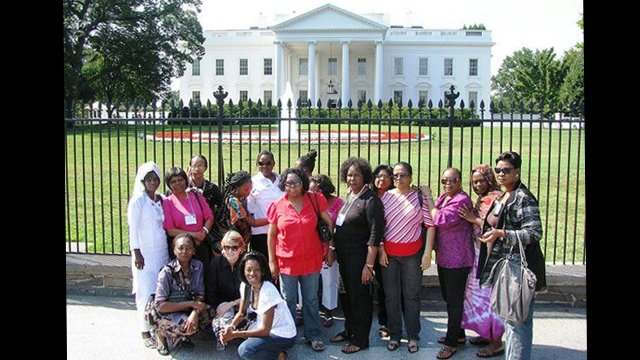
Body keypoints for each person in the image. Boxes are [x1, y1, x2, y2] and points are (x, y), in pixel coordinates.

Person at [477, 151, 546, 360]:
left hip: (519, 267)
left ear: (517, 172)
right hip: (505, 265)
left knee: (518, 322)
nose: (501, 174)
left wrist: (502, 233)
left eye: (506, 170)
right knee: (511, 320)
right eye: (498, 170)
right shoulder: (503, 195)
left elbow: (534, 232)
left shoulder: (523, 197)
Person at [266, 167, 334, 352]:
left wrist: (330, 248)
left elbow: (328, 223)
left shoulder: (314, 199)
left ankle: (313, 335)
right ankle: (288, 335)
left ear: (303, 183)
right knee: (288, 300)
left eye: (296, 182)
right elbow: (271, 236)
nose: (293, 186)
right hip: (287, 261)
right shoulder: (278, 205)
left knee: (311, 299)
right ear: (283, 184)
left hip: (311, 259)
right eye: (288, 183)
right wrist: (272, 262)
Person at [378, 161, 435, 354]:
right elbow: (379, 227)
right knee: (391, 297)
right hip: (390, 256)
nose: (398, 179)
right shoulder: (386, 197)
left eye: (403, 175)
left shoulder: (418, 197)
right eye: (395, 175)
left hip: (413, 256)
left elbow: (431, 225)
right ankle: (395, 335)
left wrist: (427, 254)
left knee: (411, 297)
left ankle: (413, 335)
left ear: (410, 177)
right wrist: (381, 249)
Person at [330, 157, 385, 354]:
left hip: (359, 258)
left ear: (365, 176)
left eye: (357, 175)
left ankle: (360, 340)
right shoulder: (351, 196)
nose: (352, 178)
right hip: (344, 257)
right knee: (346, 297)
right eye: (349, 174)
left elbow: (374, 234)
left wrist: (368, 266)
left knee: (360, 299)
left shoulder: (370, 200)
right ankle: (349, 330)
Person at [424, 168, 474, 359]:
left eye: (452, 180)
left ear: (460, 181)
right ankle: (458, 334)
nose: (447, 183)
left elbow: (439, 219)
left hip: (458, 259)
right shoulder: (445, 197)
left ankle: (451, 343)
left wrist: (428, 197)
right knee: (449, 297)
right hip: (446, 258)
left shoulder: (461, 200)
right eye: (444, 180)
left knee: (454, 301)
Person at [458, 164, 505, 357]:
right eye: (474, 182)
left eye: (480, 181)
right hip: (479, 253)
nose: (477, 185)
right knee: (479, 297)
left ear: (489, 179)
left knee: (489, 298)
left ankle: (496, 342)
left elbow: (494, 226)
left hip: (490, 256)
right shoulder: (484, 199)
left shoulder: (497, 199)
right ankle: (486, 334)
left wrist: (472, 218)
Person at [219, 251, 297, 360]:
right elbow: (241, 313)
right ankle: (268, 349)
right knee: (232, 335)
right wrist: (230, 328)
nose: (252, 274)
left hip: (282, 334)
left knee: (245, 350)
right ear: (243, 271)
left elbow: (265, 330)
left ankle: (279, 356)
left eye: (257, 270)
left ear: (263, 271)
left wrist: (235, 334)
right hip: (262, 327)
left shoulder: (268, 290)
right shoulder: (245, 286)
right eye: (248, 270)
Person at [127, 161, 169, 349]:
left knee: (159, 290)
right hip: (144, 253)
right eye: (149, 179)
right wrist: (136, 252)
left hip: (162, 252)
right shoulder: (138, 201)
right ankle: (144, 329)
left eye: (155, 178)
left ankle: (157, 324)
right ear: (143, 181)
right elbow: (132, 229)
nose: (153, 182)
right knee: (145, 291)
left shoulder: (160, 199)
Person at [149, 233, 213, 356]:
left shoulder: (198, 266)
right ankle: (160, 334)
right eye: (181, 248)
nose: (185, 251)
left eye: (189, 248)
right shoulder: (167, 272)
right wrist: (190, 304)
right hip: (166, 312)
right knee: (185, 325)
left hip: (188, 309)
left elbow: (200, 293)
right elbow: (160, 306)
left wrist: (194, 313)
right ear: (174, 250)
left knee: (210, 313)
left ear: (194, 250)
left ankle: (180, 336)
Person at [310, 174, 345, 328]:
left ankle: (328, 311)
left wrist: (332, 248)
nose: (312, 193)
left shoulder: (338, 203)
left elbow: (340, 226)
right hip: (310, 247)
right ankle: (304, 309)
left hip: (329, 246)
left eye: (315, 190)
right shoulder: (309, 201)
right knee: (307, 281)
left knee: (329, 280)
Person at [162, 167, 214, 264]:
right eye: (173, 181)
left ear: (186, 181)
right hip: (181, 250)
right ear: (168, 184)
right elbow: (170, 231)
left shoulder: (197, 196)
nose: (177, 183)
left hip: (200, 248)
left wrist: (204, 232)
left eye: (180, 180)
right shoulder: (167, 202)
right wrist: (195, 236)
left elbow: (209, 217)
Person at [210, 171, 267, 252]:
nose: (249, 191)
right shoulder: (234, 202)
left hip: (233, 243)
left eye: (251, 188)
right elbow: (251, 222)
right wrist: (271, 219)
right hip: (231, 245)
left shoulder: (238, 198)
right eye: (246, 189)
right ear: (237, 188)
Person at [369, 164, 394, 339]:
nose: (381, 179)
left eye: (385, 176)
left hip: (394, 247)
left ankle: (395, 322)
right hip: (374, 248)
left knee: (393, 288)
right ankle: (385, 322)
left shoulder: (395, 196)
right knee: (382, 287)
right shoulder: (369, 196)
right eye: (378, 176)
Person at [247, 151, 284, 257]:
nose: (264, 166)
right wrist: (272, 219)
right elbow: (250, 215)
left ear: (273, 163)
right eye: (261, 163)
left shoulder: (282, 180)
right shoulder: (253, 182)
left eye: (268, 163)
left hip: (281, 232)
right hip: (260, 233)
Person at [206, 230, 246, 320]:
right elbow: (211, 293)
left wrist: (233, 303)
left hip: (245, 304)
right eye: (226, 247)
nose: (230, 251)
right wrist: (219, 307)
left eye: (234, 248)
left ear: (241, 248)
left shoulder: (247, 263)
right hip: (222, 305)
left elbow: (254, 293)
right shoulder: (215, 263)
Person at [187, 154, 224, 220]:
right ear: (190, 167)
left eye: (200, 166)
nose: (197, 169)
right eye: (194, 165)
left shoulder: (211, 188)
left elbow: (221, 206)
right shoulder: (184, 186)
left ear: (205, 167)